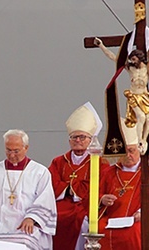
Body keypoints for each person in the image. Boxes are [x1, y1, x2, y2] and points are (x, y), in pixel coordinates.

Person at [0, 129, 57, 250]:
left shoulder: (40, 172)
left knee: (26, 242)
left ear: (26, 148)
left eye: (16, 151)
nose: (11, 155)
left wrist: (32, 218)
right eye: (8, 150)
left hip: (25, 226)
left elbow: (45, 202)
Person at [48, 103, 110, 250]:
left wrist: (70, 188)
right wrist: (69, 189)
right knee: (51, 219)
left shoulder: (100, 162)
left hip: (84, 206)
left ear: (91, 140)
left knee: (80, 221)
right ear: (69, 140)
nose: (78, 141)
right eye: (74, 137)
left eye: (82, 137)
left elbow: (99, 187)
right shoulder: (58, 161)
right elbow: (51, 182)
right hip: (59, 205)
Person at [94, 37, 149, 154]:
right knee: (141, 117)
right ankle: (139, 141)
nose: (133, 62)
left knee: (148, 119)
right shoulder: (130, 68)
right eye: (131, 59)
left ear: (140, 58)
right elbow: (113, 57)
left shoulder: (147, 69)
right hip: (134, 96)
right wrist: (101, 46)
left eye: (134, 59)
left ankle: (144, 140)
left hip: (144, 96)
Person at [97, 118, 141, 250]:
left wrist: (142, 213)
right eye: (124, 151)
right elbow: (93, 195)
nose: (128, 155)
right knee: (99, 228)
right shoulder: (109, 172)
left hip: (137, 219)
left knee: (134, 232)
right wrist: (102, 199)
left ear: (139, 149)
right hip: (110, 219)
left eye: (132, 151)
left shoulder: (145, 172)